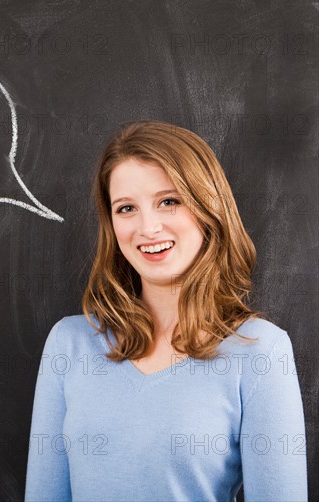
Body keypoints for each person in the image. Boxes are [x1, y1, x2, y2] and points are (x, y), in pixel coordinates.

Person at [24, 120, 307, 501]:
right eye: (126, 208)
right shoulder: (69, 344)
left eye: (169, 201)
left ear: (208, 206)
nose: (148, 227)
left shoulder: (260, 351)